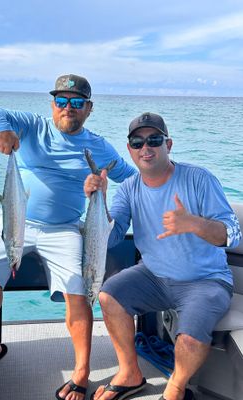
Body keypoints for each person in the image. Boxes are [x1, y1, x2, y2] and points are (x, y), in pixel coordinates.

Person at [0, 74, 136, 400]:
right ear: (52, 105)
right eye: (62, 101)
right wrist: (0, 130)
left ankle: (82, 371)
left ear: (88, 108)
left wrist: (167, 180)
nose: (68, 108)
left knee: (79, 285)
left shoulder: (99, 147)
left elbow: (131, 180)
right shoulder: (32, 126)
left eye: (76, 103)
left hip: (65, 228)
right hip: (17, 218)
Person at [84, 112, 242, 400]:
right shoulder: (129, 189)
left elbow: (234, 234)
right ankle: (129, 372)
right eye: (137, 141)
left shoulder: (198, 179)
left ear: (168, 144)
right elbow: (113, 235)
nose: (146, 147)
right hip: (153, 275)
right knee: (108, 296)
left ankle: (176, 386)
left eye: (154, 140)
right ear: (130, 149)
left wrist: (194, 223)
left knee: (191, 337)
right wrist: (98, 199)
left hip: (205, 280)